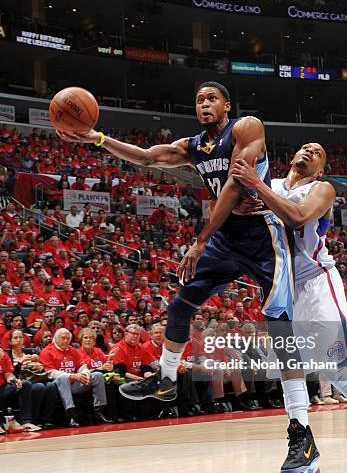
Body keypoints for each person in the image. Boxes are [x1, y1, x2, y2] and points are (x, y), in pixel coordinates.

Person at [58, 81, 294, 402]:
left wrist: (200, 242)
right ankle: (165, 380)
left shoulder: (246, 127)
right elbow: (147, 158)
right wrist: (98, 138)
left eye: (212, 99)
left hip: (262, 234)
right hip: (225, 238)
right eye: (199, 100)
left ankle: (301, 405)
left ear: (226, 106)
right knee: (179, 307)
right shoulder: (193, 146)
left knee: (279, 320)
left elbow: (236, 186)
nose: (204, 104)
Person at [231, 142, 347, 473]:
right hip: (281, 288)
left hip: (316, 283)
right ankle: (305, 460)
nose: (310, 151)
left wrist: (257, 188)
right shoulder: (275, 184)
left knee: (333, 370)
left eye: (318, 151)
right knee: (289, 372)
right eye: (305, 147)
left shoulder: (321, 189)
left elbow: (298, 218)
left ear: (321, 168)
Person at [39, 328, 109, 427]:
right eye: (63, 338)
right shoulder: (46, 351)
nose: (66, 341)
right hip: (57, 385)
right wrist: (72, 376)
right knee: (63, 378)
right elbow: (50, 373)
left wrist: (85, 374)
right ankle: (71, 415)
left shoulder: (72, 350)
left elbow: (82, 367)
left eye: (68, 338)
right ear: (56, 338)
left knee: (97, 375)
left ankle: (99, 412)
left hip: (74, 384)